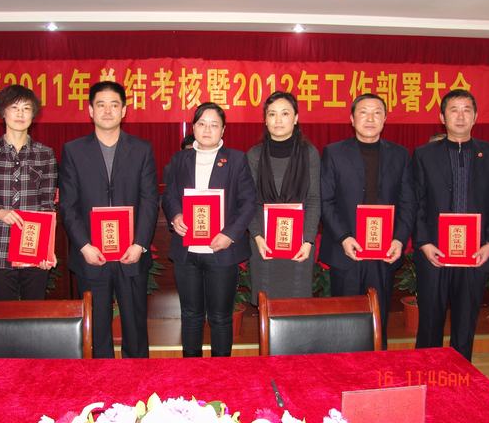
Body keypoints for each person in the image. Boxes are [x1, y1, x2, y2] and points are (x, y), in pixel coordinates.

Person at [59, 81, 158, 358]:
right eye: (100, 105)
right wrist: (84, 246)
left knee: (135, 328)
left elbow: (150, 200)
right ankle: (100, 380)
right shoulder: (73, 150)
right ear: (90, 110)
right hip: (92, 254)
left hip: (131, 254)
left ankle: (137, 379)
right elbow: (68, 204)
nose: (107, 111)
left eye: (114, 105)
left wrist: (139, 244)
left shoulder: (141, 149)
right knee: (97, 329)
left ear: (124, 111)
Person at [413, 89, 489, 361]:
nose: (460, 116)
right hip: (435, 253)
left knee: (465, 326)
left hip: (475, 254)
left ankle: (460, 379)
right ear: (442, 117)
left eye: (467, 110)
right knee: (429, 324)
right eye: (453, 110)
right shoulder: (424, 155)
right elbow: (415, 203)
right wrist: (424, 243)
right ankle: (426, 374)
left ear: (475, 117)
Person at [319, 93, 416, 347]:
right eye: (363, 112)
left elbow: (408, 202)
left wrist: (399, 239)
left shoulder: (400, 155)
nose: (370, 118)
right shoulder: (333, 153)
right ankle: (343, 367)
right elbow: (325, 200)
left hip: (384, 252)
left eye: (376, 113)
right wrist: (344, 237)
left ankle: (376, 366)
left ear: (385, 119)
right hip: (345, 250)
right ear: (352, 119)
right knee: (344, 320)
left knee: (378, 320)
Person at [162, 102, 256, 357]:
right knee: (190, 315)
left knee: (220, 317)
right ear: (193, 127)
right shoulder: (180, 159)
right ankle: (191, 370)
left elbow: (248, 202)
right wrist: (175, 215)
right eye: (202, 124)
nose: (207, 129)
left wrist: (230, 235)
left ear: (223, 130)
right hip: (187, 252)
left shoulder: (236, 160)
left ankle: (219, 373)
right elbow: (169, 195)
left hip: (222, 251)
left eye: (214, 125)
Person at [0, 85, 57, 300]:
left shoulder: (45, 154)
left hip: (33, 243)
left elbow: (47, 205)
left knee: (34, 310)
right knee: (3, 311)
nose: (20, 114)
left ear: (33, 115)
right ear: (3, 112)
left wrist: (46, 248)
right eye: (14, 107)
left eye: (26, 108)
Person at [246, 91, 320, 305]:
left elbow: (314, 199)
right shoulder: (254, 155)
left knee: (296, 306)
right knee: (266, 305)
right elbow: (249, 201)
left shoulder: (309, 153)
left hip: (299, 244)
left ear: (295, 118)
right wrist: (257, 237)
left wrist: (308, 240)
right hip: (263, 243)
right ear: (265, 120)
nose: (278, 120)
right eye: (272, 114)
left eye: (285, 113)